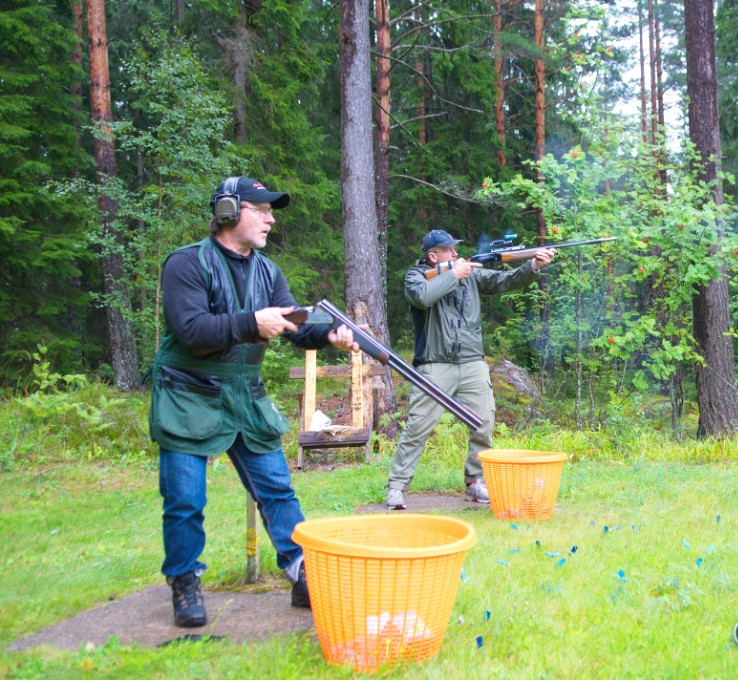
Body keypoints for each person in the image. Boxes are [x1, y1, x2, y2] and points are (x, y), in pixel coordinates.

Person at [149, 176, 358, 628]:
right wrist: (251, 323)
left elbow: (293, 324)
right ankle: (184, 581)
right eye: (260, 208)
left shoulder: (268, 271)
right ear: (228, 211)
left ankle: (302, 572)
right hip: (189, 393)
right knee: (185, 499)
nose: (270, 217)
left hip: (245, 395)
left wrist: (329, 335)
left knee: (278, 490)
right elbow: (191, 331)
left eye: (271, 209)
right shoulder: (185, 263)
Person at [386, 229, 555, 509]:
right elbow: (422, 298)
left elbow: (506, 280)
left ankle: (475, 482)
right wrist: (454, 274)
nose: (455, 253)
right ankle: (396, 486)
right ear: (433, 256)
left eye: (455, 249)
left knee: (484, 420)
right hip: (434, 363)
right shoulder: (416, 276)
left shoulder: (470, 274)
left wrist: (533, 265)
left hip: (472, 362)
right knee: (418, 425)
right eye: (449, 250)